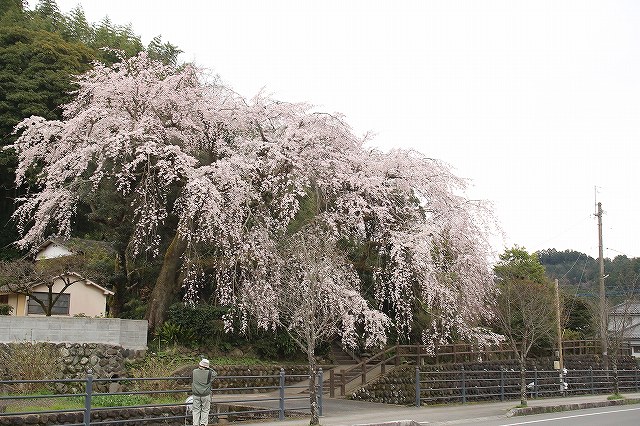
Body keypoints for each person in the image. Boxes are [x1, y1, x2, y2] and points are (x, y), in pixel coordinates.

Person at [191, 358, 217, 426]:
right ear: (207, 367)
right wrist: (209, 368)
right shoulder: (210, 373)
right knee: (205, 410)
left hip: (196, 394)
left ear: (199, 364)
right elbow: (215, 373)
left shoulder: (194, 371)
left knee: (196, 410)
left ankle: (195, 424)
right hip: (205, 395)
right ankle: (203, 424)